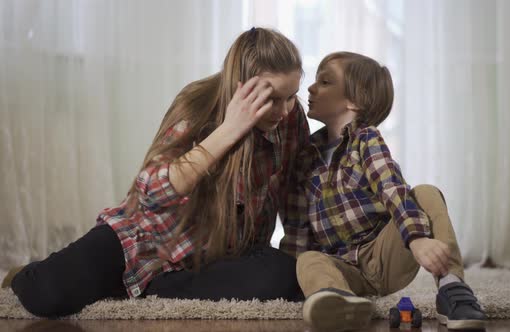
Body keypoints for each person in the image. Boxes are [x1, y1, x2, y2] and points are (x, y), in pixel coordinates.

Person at [2, 27, 309, 318]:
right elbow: (151, 192)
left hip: (217, 257)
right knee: (44, 296)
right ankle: (36, 272)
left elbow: (296, 193)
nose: (284, 110)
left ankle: (148, 289)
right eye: (272, 99)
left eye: (291, 96)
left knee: (283, 275)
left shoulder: (290, 119)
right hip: (145, 242)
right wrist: (230, 130)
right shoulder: (198, 103)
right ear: (242, 86)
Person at [280, 51, 486, 331]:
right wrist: (294, 279)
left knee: (424, 192)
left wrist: (416, 239)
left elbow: (391, 187)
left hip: (385, 254)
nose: (311, 88)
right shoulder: (304, 159)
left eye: (325, 82)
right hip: (343, 267)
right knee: (308, 259)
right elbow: (297, 230)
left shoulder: (366, 139)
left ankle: (453, 289)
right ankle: (336, 300)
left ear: (354, 101)